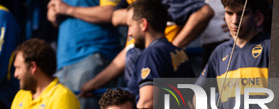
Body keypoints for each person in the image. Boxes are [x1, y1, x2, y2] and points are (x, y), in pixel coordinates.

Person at [79, 0, 214, 98]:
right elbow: (115, 18)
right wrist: (95, 83)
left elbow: (147, 102)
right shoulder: (148, 47)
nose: (129, 32)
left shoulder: (153, 53)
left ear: (143, 24)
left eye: (130, 26)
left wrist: (170, 48)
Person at [47, 0, 120, 109]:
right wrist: (54, 16)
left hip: (92, 56)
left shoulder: (68, 6)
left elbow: (111, 12)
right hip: (63, 64)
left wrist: (68, 9)